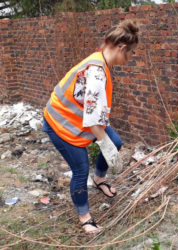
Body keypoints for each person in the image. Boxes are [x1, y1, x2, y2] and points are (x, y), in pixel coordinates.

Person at [42, 19, 139, 233]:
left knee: (116, 141)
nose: (130, 59)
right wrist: (105, 146)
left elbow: (94, 110)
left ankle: (99, 179)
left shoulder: (101, 59)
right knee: (80, 170)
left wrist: (109, 143)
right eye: (131, 54)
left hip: (79, 119)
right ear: (122, 48)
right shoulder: (96, 72)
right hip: (60, 123)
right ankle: (85, 217)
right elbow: (94, 123)